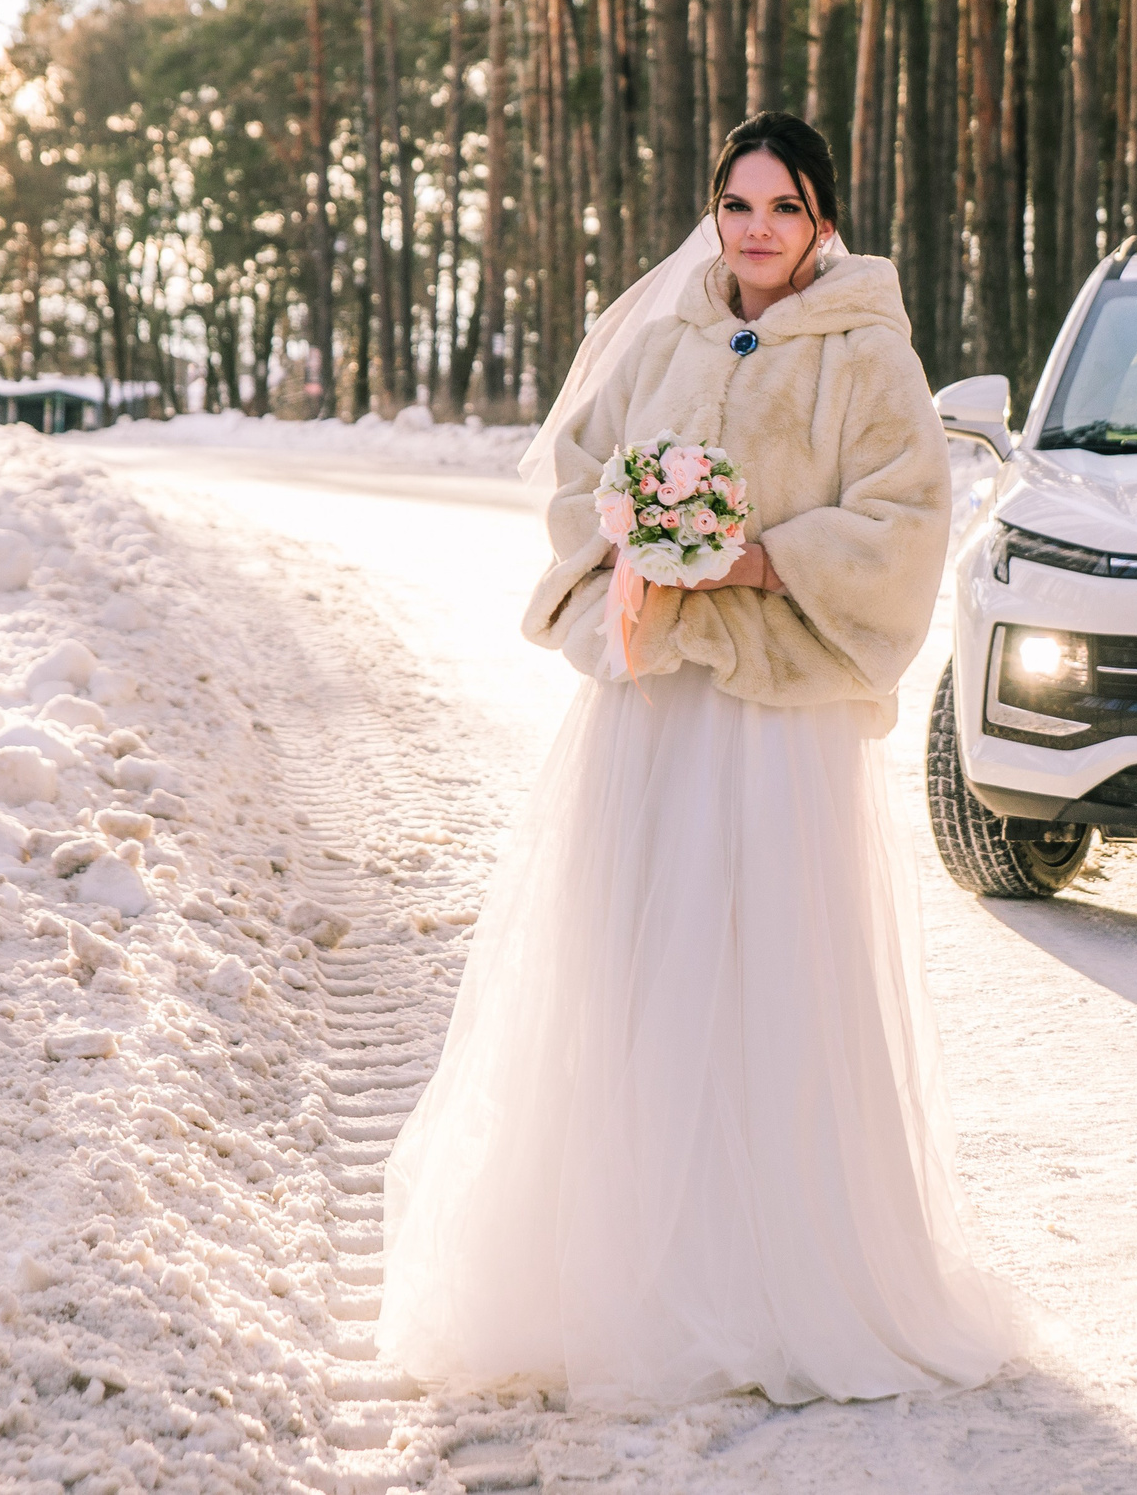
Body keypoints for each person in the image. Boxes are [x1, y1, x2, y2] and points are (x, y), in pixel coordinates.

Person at [375, 112, 1023, 1408]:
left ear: (823, 219)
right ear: (714, 214)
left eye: (784, 208)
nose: (760, 231)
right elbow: (577, 470)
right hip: (658, 704)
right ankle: (628, 1274)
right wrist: (632, 539)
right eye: (739, 206)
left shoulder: (866, 348)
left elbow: (906, 516)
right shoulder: (667, 329)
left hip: (777, 717)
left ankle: (777, 1280)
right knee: (636, 969)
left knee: (769, 981)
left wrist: (764, 555)